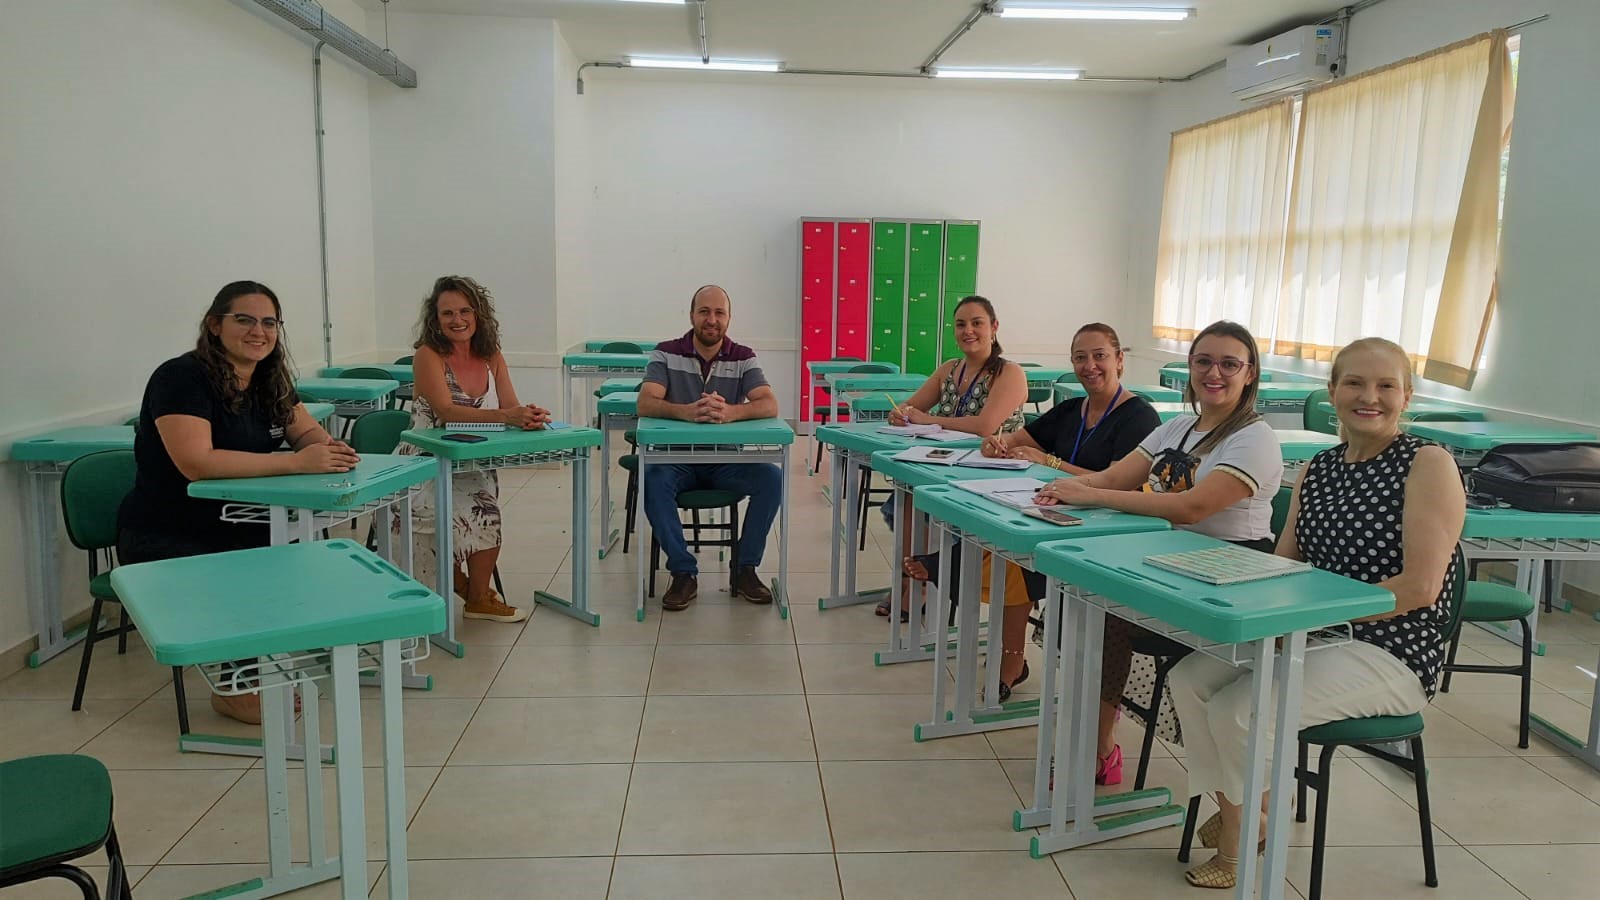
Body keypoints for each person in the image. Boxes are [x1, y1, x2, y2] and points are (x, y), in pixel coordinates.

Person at [1165, 337, 1463, 889]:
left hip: (1393, 650)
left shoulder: (1428, 463)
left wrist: (1315, 620)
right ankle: (1251, 813)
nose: (1367, 396)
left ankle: (1239, 841)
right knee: (1187, 678)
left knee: (1240, 711)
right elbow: (1284, 565)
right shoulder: (1320, 467)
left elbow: (1420, 588)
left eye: (1385, 386)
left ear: (1407, 396)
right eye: (1353, 383)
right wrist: (1261, 616)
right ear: (1331, 392)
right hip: (1316, 634)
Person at [1036, 320, 1283, 788]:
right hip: (1171, 561)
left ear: (1250, 374)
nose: (1215, 373)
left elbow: (1192, 507)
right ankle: (1095, 740)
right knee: (1081, 599)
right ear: (1189, 367)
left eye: (1230, 364)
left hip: (1230, 574)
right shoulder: (1178, 426)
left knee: (1103, 614)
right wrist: (1058, 487)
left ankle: (1097, 747)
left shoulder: (1254, 437)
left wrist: (1092, 496)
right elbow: (1112, 477)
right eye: (1204, 361)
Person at [118, 280, 359, 725]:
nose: (258, 331)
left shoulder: (268, 378)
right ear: (214, 325)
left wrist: (325, 447)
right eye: (244, 320)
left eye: (269, 322)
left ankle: (260, 666)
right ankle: (237, 684)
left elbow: (301, 429)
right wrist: (296, 465)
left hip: (241, 522)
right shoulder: (181, 377)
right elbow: (196, 462)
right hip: (167, 533)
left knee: (295, 558)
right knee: (260, 564)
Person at [971, 322, 1161, 728]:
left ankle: (1029, 668)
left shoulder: (1139, 416)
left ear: (1120, 360)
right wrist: (997, 443)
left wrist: (1051, 463)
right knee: (1005, 548)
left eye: (1099, 356)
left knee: (1014, 558)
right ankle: (1012, 659)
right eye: (1080, 357)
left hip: (1110, 528)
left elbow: (1119, 480)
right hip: (1060, 517)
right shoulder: (1069, 410)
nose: (1089, 365)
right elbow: (1016, 438)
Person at [398, 275, 550, 624]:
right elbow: (446, 413)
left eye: (465, 311)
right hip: (424, 462)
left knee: (485, 513)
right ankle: (470, 591)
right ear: (435, 319)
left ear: (478, 314)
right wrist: (506, 414)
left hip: (471, 461)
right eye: (447, 313)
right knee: (453, 518)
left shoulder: (491, 355)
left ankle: (476, 597)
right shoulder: (427, 355)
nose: (457, 320)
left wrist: (527, 417)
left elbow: (510, 405)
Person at [876, 295, 1029, 624]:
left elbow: (985, 427)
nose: (968, 331)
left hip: (991, 472)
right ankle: (910, 578)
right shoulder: (949, 369)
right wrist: (900, 414)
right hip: (943, 465)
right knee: (905, 498)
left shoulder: (1009, 373)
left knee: (923, 505)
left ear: (994, 328)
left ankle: (926, 581)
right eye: (961, 324)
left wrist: (928, 420)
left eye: (977, 323)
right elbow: (912, 407)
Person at [638, 285, 782, 612]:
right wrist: (684, 411)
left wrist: (733, 412)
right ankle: (683, 572)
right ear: (692, 316)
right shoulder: (665, 352)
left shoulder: (743, 356)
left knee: (772, 478)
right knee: (652, 481)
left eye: (719, 313)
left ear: (728, 319)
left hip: (726, 460)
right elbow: (645, 402)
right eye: (704, 312)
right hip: (676, 460)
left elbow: (769, 404)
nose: (711, 320)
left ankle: (745, 569)